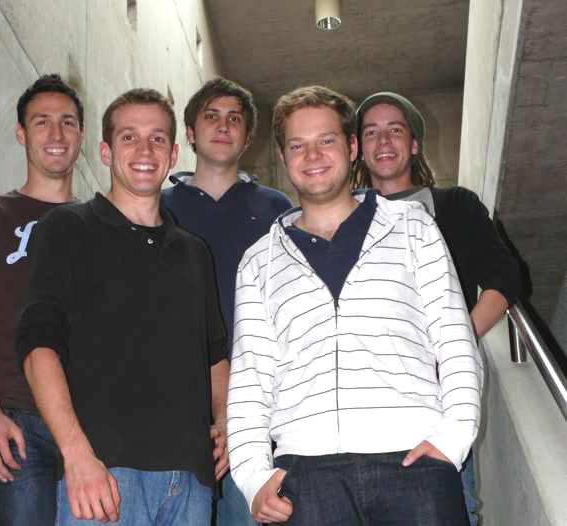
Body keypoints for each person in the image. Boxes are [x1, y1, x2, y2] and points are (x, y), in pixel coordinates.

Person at [227, 86, 483, 525]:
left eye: (326, 140)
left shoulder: (414, 228)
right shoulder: (258, 262)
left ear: (351, 148)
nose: (313, 155)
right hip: (304, 476)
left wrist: (453, 439)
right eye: (297, 145)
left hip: (416, 462)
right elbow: (250, 380)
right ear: (284, 158)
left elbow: (455, 341)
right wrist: (253, 478)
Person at [16, 88, 229, 526]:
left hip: (191, 484)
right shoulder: (67, 228)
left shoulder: (194, 251)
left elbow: (214, 357)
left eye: (157, 139)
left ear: (173, 154)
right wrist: (76, 455)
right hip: (104, 477)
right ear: (105, 151)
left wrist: (225, 419)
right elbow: (38, 349)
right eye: (129, 137)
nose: (145, 151)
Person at [352, 91, 522, 525]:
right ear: (357, 148)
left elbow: (505, 277)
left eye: (395, 130)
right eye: (371, 132)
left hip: (438, 402)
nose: (383, 141)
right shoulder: (340, 216)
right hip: (359, 405)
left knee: (450, 508)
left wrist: (452, 344)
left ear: (413, 143)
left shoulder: (454, 206)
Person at [0, 74, 84, 525]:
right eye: (42, 122)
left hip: (92, 426)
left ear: (82, 134)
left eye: (67, 122)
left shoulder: (100, 223)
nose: (56, 133)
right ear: (21, 133)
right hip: (16, 426)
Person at [162, 78, 291, 525]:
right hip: (174, 398)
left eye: (234, 118)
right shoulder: (157, 207)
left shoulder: (278, 210)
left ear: (247, 135)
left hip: (259, 401)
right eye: (211, 116)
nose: (223, 126)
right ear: (190, 133)